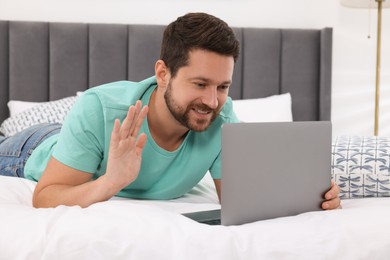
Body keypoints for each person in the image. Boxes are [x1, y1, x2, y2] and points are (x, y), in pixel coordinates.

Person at [0, 12, 341, 210]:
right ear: (163, 74)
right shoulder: (98, 108)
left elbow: (239, 200)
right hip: (33, 148)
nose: (211, 101)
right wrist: (111, 182)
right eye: (200, 84)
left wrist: (311, 196)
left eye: (222, 87)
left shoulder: (222, 118)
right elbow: (44, 197)